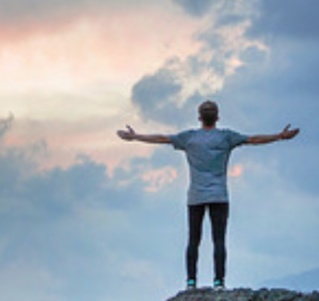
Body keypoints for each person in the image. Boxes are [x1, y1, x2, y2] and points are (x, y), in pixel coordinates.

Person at [117, 100, 299, 290]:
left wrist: (135, 136)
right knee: (219, 240)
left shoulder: (189, 138)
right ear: (217, 117)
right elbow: (254, 139)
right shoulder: (226, 137)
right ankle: (219, 282)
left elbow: (162, 138)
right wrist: (280, 136)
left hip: (196, 197)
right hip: (219, 196)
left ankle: (191, 282)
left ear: (199, 118)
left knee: (193, 240)